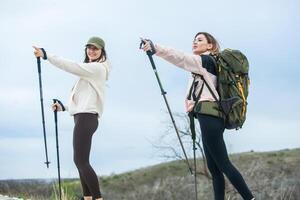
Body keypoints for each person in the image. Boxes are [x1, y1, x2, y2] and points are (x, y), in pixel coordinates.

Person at [141, 32, 255, 200]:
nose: (195, 42)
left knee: (223, 164)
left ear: (210, 45)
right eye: (194, 40)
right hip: (209, 116)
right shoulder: (209, 64)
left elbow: (178, 57)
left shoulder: (206, 61)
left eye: (200, 40)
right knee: (215, 170)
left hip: (209, 116)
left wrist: (155, 47)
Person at [33, 36, 111, 200]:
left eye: (95, 48)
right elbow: (84, 103)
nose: (91, 51)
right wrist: (64, 107)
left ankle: (97, 198)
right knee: (80, 161)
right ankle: (88, 198)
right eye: (89, 48)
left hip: (86, 119)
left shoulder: (97, 68)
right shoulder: (91, 71)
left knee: (81, 161)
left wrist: (47, 55)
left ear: (102, 51)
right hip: (83, 117)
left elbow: (71, 66)